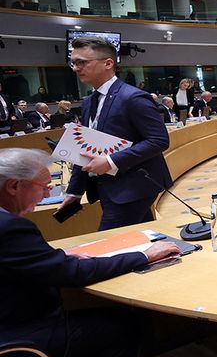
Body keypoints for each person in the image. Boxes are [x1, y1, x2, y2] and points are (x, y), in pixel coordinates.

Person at [0, 148, 181, 357]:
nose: (48, 193)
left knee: (95, 322)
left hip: (11, 321)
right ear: (14, 186)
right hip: (17, 337)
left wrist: (55, 258)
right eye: (44, 186)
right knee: (118, 328)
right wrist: (142, 255)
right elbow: (74, 274)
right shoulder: (9, 227)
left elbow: (24, 263)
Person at [58, 37, 173, 230]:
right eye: (74, 63)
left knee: (110, 242)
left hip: (134, 186)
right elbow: (83, 148)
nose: (76, 68)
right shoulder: (88, 102)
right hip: (109, 188)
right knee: (142, 239)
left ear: (108, 63)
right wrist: (75, 192)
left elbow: (159, 140)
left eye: (82, 62)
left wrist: (111, 161)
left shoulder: (133, 97)